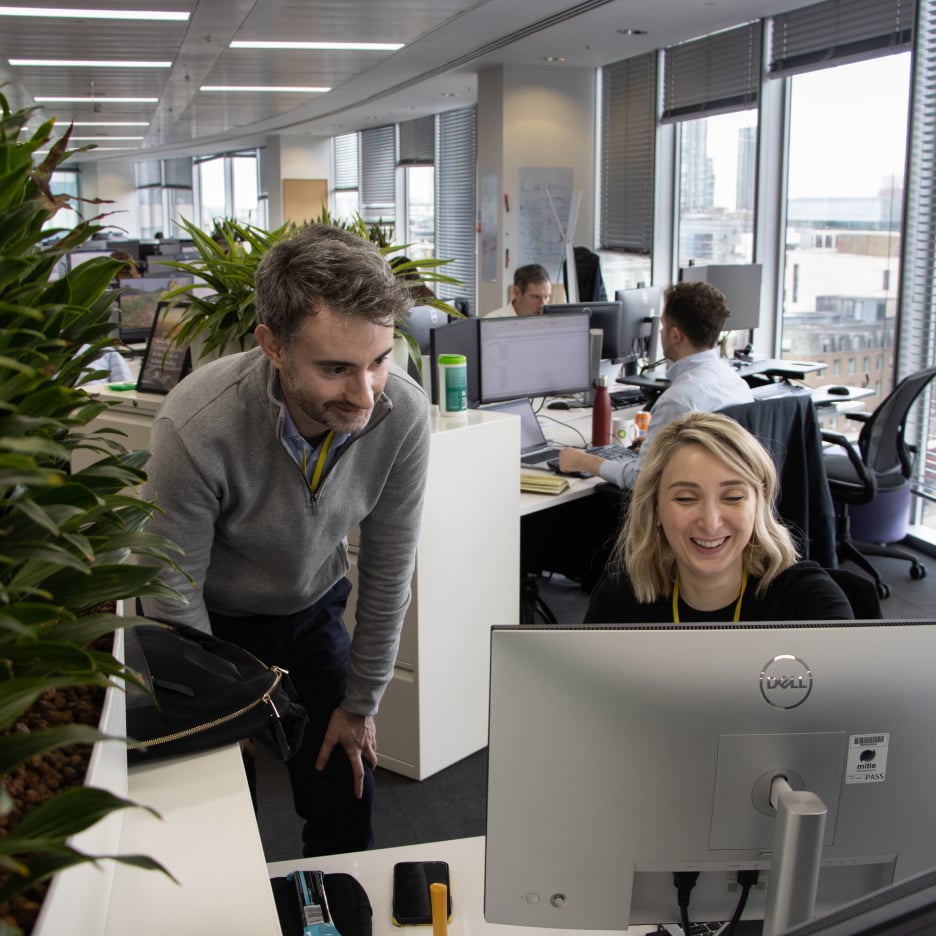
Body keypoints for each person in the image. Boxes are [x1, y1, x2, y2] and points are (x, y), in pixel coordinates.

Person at [139, 223, 432, 856]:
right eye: (335, 368)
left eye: (379, 360)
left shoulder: (401, 413)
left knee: (346, 789)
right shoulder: (196, 425)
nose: (366, 393)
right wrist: (219, 712)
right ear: (272, 345)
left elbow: (388, 570)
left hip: (311, 610)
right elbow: (170, 584)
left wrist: (362, 703)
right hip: (210, 626)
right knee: (218, 804)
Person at [586, 411, 853, 623]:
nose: (711, 522)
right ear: (656, 509)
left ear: (758, 505)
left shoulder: (809, 602)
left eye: (733, 497)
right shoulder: (618, 600)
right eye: (686, 498)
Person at [557, 280, 753, 488]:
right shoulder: (737, 384)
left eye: (663, 326)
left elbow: (641, 478)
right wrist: (656, 446)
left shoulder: (679, 401)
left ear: (675, 335)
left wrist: (584, 461)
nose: (659, 333)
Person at [484, 263, 552, 317]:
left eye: (546, 297)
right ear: (516, 292)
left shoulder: (550, 321)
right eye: (536, 297)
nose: (542, 305)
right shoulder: (493, 322)